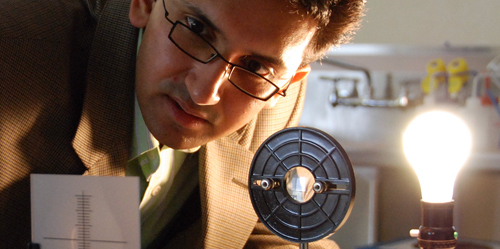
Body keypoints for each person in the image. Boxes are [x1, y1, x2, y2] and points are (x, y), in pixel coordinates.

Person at [0, 0, 365, 248]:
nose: (205, 92)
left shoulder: (271, 98)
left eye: (254, 67)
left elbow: (259, 226)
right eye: (196, 28)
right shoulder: (15, 57)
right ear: (143, 2)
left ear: (290, 81)